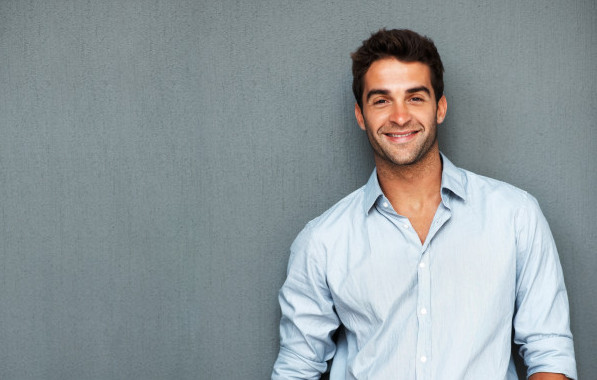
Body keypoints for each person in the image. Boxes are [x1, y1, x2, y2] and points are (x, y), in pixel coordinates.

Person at [271, 29, 576, 380]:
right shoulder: (322, 242)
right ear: (360, 115)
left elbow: (549, 352)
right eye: (381, 100)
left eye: (415, 98)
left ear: (440, 107)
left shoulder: (516, 216)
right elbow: (297, 367)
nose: (400, 117)